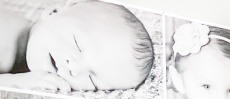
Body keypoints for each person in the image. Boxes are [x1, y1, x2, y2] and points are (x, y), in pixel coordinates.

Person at [0, 0, 154, 93]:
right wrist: (14, 82)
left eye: (91, 80)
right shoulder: (6, 38)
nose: (75, 68)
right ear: (53, 12)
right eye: (77, 44)